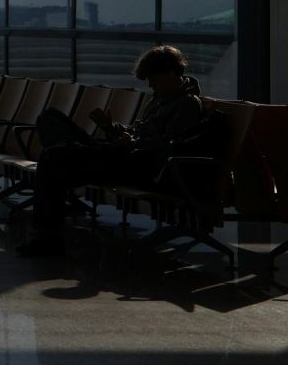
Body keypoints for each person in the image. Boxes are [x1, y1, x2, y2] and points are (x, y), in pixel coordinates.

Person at [17, 45, 210, 257]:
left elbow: (170, 145)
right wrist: (113, 128)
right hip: (120, 153)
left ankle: (46, 238)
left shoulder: (187, 105)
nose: (150, 85)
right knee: (50, 118)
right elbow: (139, 130)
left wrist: (134, 143)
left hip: (135, 165)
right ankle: (64, 168)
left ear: (170, 74)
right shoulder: (159, 99)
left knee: (52, 157)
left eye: (152, 78)